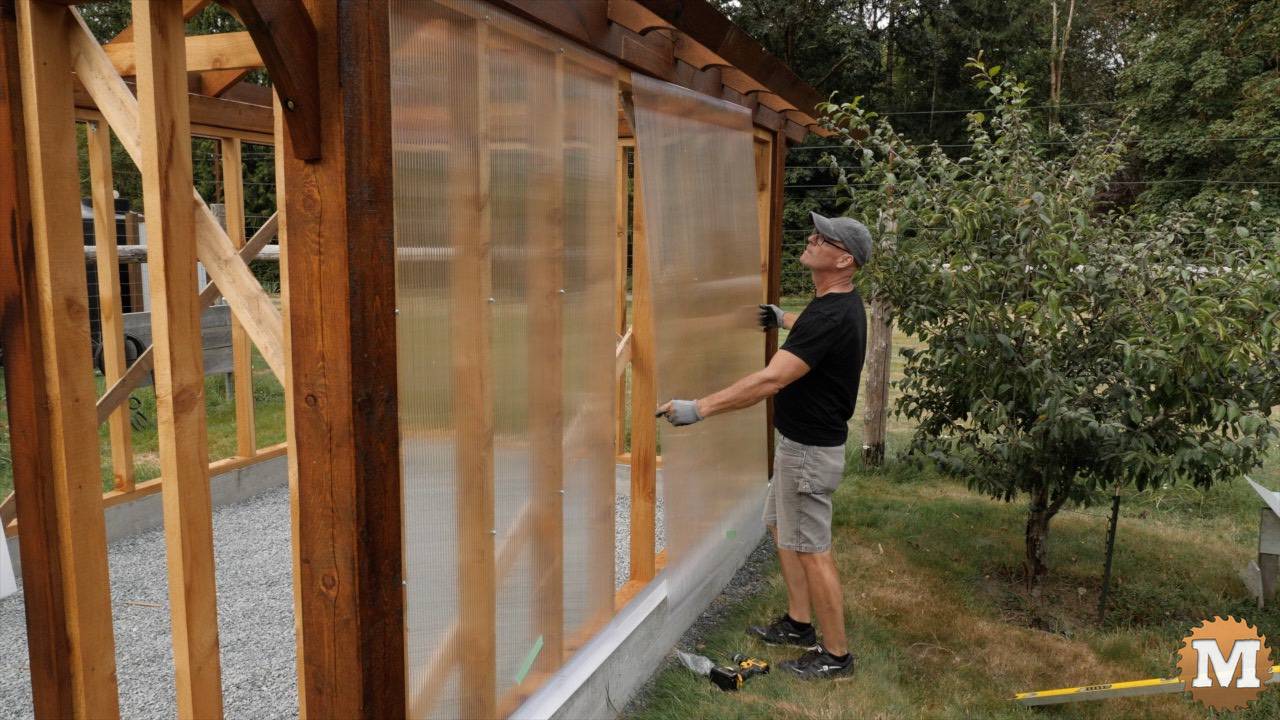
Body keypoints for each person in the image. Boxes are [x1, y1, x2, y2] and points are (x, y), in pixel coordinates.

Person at [656, 211, 870, 680]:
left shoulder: (831, 315)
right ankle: (798, 623)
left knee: (812, 548)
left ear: (845, 260)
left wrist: (700, 408)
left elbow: (770, 380)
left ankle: (836, 657)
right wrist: (782, 317)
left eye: (824, 238)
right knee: (779, 527)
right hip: (800, 445)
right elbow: (813, 327)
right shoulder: (834, 304)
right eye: (815, 233)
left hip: (809, 453)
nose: (812, 238)